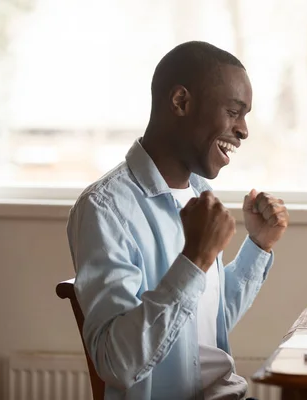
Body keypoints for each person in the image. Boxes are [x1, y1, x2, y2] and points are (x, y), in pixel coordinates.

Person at [66, 40, 289, 400]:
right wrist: (194, 260)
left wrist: (258, 245)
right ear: (181, 102)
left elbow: (198, 329)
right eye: (234, 112)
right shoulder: (105, 209)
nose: (244, 130)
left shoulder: (200, 196)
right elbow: (116, 362)